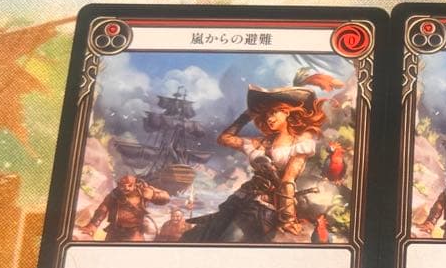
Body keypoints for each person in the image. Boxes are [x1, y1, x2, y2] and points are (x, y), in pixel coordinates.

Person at [183, 86, 325, 242]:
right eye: (266, 114)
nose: (269, 118)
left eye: (274, 112)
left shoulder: (300, 144)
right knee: (205, 235)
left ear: (287, 112)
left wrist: (288, 218)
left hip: (264, 207)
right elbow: (224, 139)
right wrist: (246, 116)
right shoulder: (260, 142)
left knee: (229, 240)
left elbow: (287, 181)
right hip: (240, 198)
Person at [79, 174, 170, 241]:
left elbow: (166, 198)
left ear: (135, 184)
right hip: (114, 231)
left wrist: (154, 195)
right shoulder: (114, 195)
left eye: (129, 185)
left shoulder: (143, 191)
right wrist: (93, 224)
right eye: (123, 186)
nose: (126, 188)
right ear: (119, 185)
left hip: (134, 233)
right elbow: (103, 209)